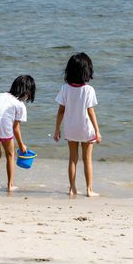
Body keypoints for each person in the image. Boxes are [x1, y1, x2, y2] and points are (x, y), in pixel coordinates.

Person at [54, 53, 101, 197]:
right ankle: (89, 190)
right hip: (86, 128)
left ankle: (72, 189)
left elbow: (61, 110)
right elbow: (90, 111)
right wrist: (97, 131)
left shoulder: (65, 89)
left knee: (72, 159)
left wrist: (57, 129)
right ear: (86, 71)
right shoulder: (88, 90)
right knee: (87, 159)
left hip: (70, 128)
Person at [0, 75, 36, 191]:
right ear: (27, 92)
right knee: (10, 154)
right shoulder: (20, 105)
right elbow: (16, 129)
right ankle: (10, 185)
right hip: (4, 126)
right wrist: (22, 146)